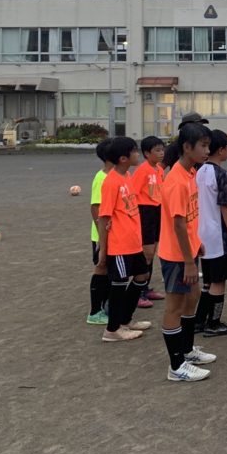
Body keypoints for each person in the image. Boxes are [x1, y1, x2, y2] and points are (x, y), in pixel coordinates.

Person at [158, 122, 216, 382]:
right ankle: (176, 366)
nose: (207, 151)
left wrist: (196, 243)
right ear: (187, 147)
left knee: (192, 296)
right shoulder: (176, 181)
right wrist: (188, 261)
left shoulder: (190, 172)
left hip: (188, 250)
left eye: (208, 146)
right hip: (176, 256)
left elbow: (189, 219)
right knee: (175, 306)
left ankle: (187, 350)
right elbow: (178, 223)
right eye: (203, 146)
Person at [98, 136, 153, 342]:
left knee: (142, 276)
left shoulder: (127, 176)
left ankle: (125, 320)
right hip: (120, 244)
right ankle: (112, 330)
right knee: (119, 285)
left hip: (133, 242)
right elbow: (104, 217)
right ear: (123, 158)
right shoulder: (111, 182)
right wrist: (103, 250)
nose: (138, 154)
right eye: (135, 151)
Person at [194, 129, 227, 336]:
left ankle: (199, 320)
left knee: (208, 280)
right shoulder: (222, 174)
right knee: (218, 281)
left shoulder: (199, 171)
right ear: (221, 150)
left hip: (203, 234)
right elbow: (225, 206)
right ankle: (214, 323)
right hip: (219, 235)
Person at [130, 135, 166, 307]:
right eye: (157, 150)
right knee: (147, 253)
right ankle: (138, 292)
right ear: (146, 153)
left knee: (152, 252)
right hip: (145, 211)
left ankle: (146, 288)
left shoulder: (159, 169)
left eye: (162, 150)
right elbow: (133, 194)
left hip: (157, 210)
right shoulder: (142, 170)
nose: (161, 153)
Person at [86, 138, 113, 326]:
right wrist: (102, 237)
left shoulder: (117, 176)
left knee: (109, 271)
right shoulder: (101, 177)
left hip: (113, 234)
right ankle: (95, 311)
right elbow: (95, 207)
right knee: (101, 268)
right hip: (101, 235)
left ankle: (105, 307)